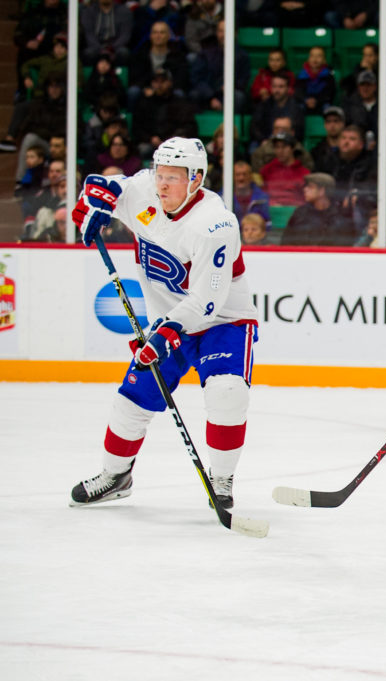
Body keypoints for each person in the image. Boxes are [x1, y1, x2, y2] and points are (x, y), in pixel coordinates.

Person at [69, 137, 259, 511]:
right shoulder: (145, 190)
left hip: (224, 321)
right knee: (132, 400)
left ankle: (221, 478)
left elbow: (206, 300)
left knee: (227, 392)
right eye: (160, 174)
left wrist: (166, 334)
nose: (163, 185)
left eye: (174, 177)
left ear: (196, 179)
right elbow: (104, 186)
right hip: (167, 323)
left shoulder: (215, 224)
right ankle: (115, 475)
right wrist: (91, 204)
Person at [281, 172, 359, 246]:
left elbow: (345, 245)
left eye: (310, 187)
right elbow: (286, 242)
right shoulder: (300, 213)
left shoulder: (339, 215)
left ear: (322, 191)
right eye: (305, 186)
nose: (305, 189)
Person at [260, 132, 310, 207]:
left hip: (295, 210)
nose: (280, 151)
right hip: (272, 210)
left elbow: (306, 199)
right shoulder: (267, 170)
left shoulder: (304, 173)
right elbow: (262, 194)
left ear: (292, 148)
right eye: (277, 147)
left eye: (284, 147)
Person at [295, 46, 336, 116]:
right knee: (297, 108)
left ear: (324, 60)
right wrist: (306, 100)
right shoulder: (301, 75)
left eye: (319, 56)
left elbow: (329, 94)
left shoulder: (329, 76)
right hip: (305, 103)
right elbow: (298, 92)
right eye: (312, 56)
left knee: (328, 108)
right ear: (308, 59)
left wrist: (316, 101)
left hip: (321, 103)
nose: (315, 59)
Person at [232, 161, 270, 225]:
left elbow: (267, 223)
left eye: (244, 174)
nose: (241, 178)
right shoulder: (223, 197)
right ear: (232, 177)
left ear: (250, 176)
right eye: (238, 174)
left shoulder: (262, 198)